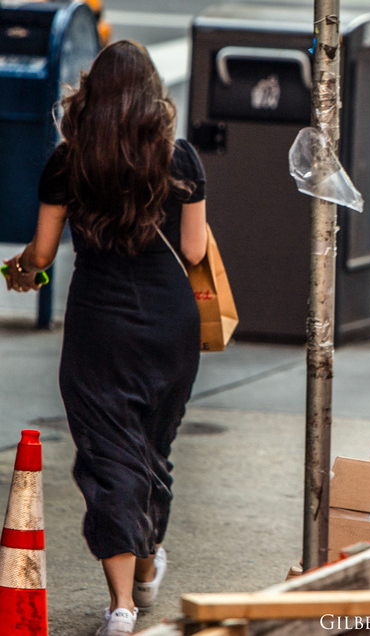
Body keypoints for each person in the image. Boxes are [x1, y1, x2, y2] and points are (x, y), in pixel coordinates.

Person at [3, 40, 207, 635]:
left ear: (92, 93)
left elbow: (41, 255)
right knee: (152, 450)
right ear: (152, 95)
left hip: (99, 325)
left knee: (107, 455)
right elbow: (193, 251)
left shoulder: (68, 162)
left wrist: (20, 272)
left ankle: (121, 607)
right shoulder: (181, 159)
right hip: (171, 326)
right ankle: (147, 563)